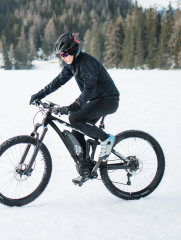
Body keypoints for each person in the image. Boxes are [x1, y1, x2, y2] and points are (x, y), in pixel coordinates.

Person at [30, 32, 120, 180]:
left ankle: (107, 139)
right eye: (60, 55)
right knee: (77, 130)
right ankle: (86, 167)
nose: (62, 57)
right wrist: (40, 94)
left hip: (108, 100)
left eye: (64, 54)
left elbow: (89, 90)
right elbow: (57, 82)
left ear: (72, 50)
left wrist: (73, 106)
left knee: (74, 118)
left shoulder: (87, 63)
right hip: (97, 100)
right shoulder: (72, 65)